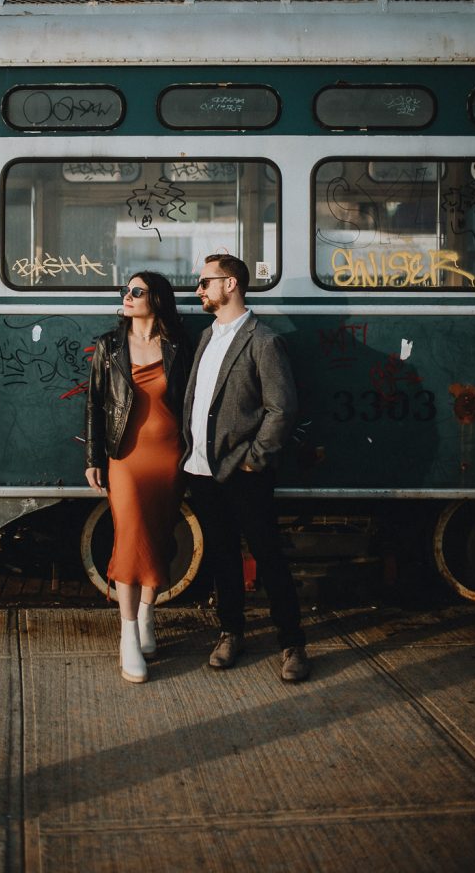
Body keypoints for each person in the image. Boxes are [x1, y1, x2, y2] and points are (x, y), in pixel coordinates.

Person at [182, 253, 309, 681]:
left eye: (205, 282)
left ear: (230, 284)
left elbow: (282, 408)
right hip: (202, 468)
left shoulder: (263, 341)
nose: (198, 290)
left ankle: (292, 643)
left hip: (243, 471)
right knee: (221, 556)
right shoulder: (207, 337)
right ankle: (231, 632)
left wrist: (256, 460)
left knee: (268, 556)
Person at [85, 271, 191, 684]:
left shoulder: (179, 345)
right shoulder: (109, 346)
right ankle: (128, 635)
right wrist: (93, 456)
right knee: (131, 541)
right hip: (124, 458)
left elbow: (192, 401)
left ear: (157, 300)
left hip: (169, 458)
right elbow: (95, 403)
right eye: (126, 291)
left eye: (137, 291)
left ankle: (147, 613)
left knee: (160, 538)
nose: (127, 297)